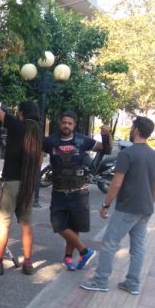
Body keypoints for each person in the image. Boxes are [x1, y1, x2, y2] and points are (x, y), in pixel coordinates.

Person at [80, 116, 155, 294]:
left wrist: (105, 205)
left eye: (132, 127)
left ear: (137, 130)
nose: (131, 130)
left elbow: (116, 184)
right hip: (145, 208)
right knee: (138, 247)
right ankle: (132, 283)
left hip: (127, 207)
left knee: (109, 243)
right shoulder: (154, 155)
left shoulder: (127, 154)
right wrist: (150, 203)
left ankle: (101, 280)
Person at [0, 100, 43, 276]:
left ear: (21, 113)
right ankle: (28, 263)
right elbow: (39, 159)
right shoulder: (38, 132)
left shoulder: (16, 124)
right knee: (26, 225)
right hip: (28, 185)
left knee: (4, 225)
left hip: (11, 184)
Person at [44, 111, 111, 271]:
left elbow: (106, 149)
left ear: (74, 125)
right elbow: (35, 150)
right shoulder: (50, 141)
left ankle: (68, 258)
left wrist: (107, 135)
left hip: (78, 192)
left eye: (70, 123)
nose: (66, 125)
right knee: (57, 224)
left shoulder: (83, 140)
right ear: (60, 123)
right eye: (64, 122)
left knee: (74, 227)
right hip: (58, 191)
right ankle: (85, 251)